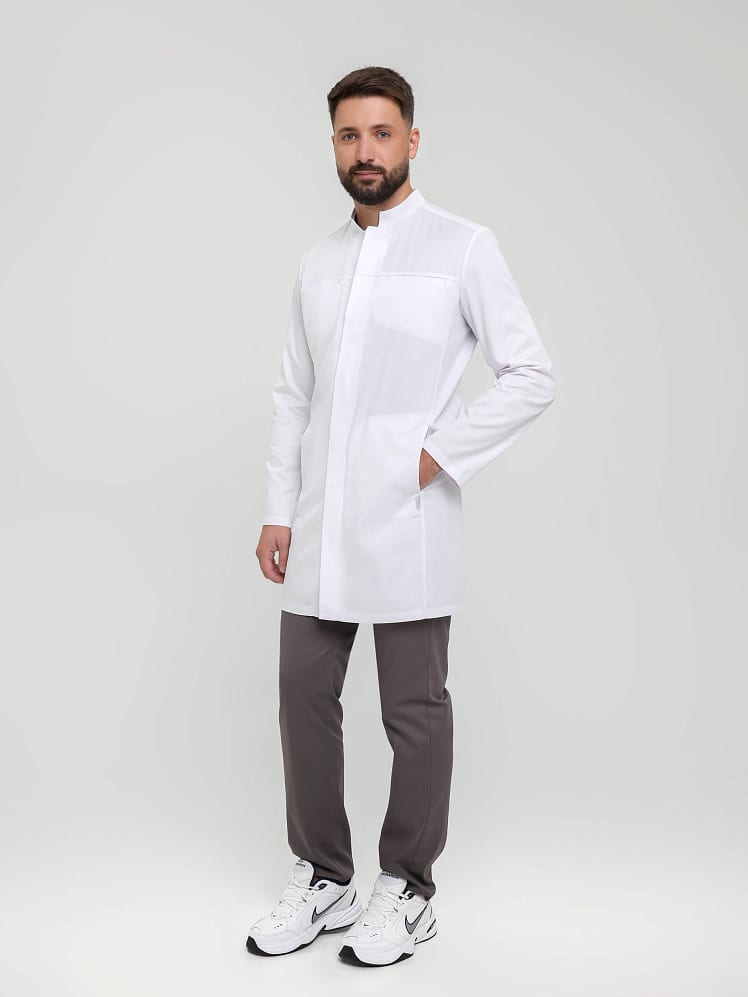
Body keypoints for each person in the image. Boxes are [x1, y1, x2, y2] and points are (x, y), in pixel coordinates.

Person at [246, 65, 555, 967]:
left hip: (410, 521)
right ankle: (324, 875)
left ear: (412, 140)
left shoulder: (462, 247)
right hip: (318, 520)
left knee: (413, 709)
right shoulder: (317, 263)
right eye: (350, 135)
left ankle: (410, 887)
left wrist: (435, 454)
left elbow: (531, 373)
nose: (366, 151)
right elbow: (292, 395)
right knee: (303, 693)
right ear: (334, 146)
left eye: (382, 133)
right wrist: (278, 509)